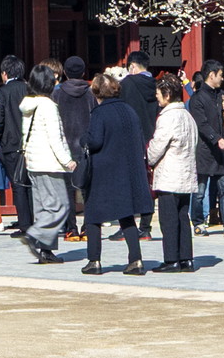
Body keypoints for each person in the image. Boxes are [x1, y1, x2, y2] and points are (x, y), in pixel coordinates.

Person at [79, 72, 150, 275]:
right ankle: (135, 259)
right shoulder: (129, 110)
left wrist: (83, 139)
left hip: (104, 170)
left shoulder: (100, 113)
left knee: (93, 215)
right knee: (126, 215)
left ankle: (94, 260)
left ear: (96, 92)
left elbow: (95, 141)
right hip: (128, 169)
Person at [19, 63, 75, 265]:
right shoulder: (48, 106)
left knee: (44, 208)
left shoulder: (29, 104)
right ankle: (35, 234)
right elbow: (55, 137)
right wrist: (67, 160)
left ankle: (46, 251)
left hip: (34, 162)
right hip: (49, 163)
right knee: (61, 205)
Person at [146, 74, 198, 272]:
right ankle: (186, 258)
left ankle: (171, 259)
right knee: (183, 217)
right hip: (186, 172)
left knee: (168, 219)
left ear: (167, 94)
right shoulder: (187, 116)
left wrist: (149, 159)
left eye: (159, 93)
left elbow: (157, 146)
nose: (157, 97)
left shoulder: (168, 117)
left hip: (169, 174)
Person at [186, 60, 224, 232]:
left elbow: (221, 122)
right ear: (211, 75)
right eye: (220, 75)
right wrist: (217, 139)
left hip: (221, 150)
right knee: (200, 190)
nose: (222, 78)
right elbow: (202, 124)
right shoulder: (197, 98)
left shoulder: (219, 95)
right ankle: (198, 222)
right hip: (204, 149)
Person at [53, 56, 95, 239]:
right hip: (86, 147)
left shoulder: (57, 94)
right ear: (84, 73)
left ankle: (71, 228)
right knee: (87, 190)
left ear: (65, 73)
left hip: (65, 147)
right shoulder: (90, 94)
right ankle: (88, 227)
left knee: (67, 191)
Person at [0, 55, 30, 238]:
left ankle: (25, 224)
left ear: (5, 73)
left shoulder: (3, 92)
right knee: (30, 184)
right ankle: (34, 221)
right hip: (30, 143)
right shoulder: (29, 88)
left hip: (10, 143)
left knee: (18, 185)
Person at [117, 51, 158, 147]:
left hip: (133, 138)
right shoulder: (156, 84)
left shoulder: (127, 83)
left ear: (132, 66)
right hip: (154, 139)